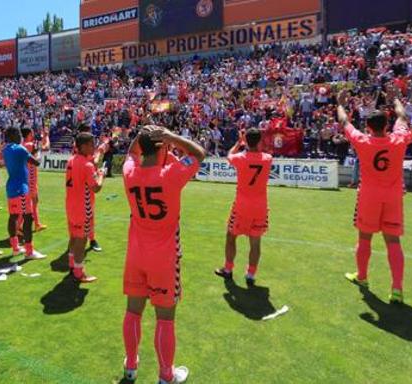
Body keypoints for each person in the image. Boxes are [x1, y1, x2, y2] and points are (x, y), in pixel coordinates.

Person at [121, 126, 205, 384]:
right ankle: (166, 375)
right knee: (165, 318)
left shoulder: (129, 172)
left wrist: (143, 135)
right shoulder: (171, 174)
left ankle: (131, 366)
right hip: (164, 258)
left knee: (133, 311)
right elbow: (199, 153)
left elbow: (130, 152)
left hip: (136, 255)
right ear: (164, 148)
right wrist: (171, 137)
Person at [337, 91, 412, 304]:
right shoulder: (399, 138)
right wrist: (394, 99)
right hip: (393, 196)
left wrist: (340, 103)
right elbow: (403, 117)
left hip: (369, 196)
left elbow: (344, 121)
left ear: (368, 127)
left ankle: (362, 277)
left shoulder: (362, 140)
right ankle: (397, 289)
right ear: (386, 125)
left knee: (365, 237)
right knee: (393, 240)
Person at [214, 128, 273, 286]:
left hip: (241, 205)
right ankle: (251, 274)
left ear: (246, 141)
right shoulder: (268, 158)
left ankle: (228, 269)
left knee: (231, 236)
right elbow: (263, 152)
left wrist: (238, 143)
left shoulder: (240, 158)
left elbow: (229, 155)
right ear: (260, 140)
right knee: (255, 242)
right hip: (260, 207)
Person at [65, 132, 107, 283]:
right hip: (83, 207)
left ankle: (72, 265)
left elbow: (90, 161)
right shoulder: (87, 165)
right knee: (81, 241)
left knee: (73, 237)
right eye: (91, 144)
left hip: (71, 205)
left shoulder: (71, 160)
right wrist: (101, 174)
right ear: (82, 146)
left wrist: (100, 151)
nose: (93, 146)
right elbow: (95, 188)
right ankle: (78, 272)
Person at [3, 127, 46, 260]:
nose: (20, 137)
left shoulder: (6, 149)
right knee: (28, 218)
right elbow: (36, 162)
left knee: (13, 217)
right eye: (18, 134)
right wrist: (38, 152)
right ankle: (29, 251)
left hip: (10, 188)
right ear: (13, 135)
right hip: (21, 189)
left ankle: (15, 247)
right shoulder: (19, 149)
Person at [20, 127, 49, 232]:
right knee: (29, 203)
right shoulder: (29, 145)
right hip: (30, 177)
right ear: (28, 134)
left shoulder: (24, 145)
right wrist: (46, 136)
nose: (33, 134)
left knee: (34, 200)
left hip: (29, 177)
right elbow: (45, 147)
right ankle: (18, 226)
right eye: (31, 132)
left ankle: (37, 223)